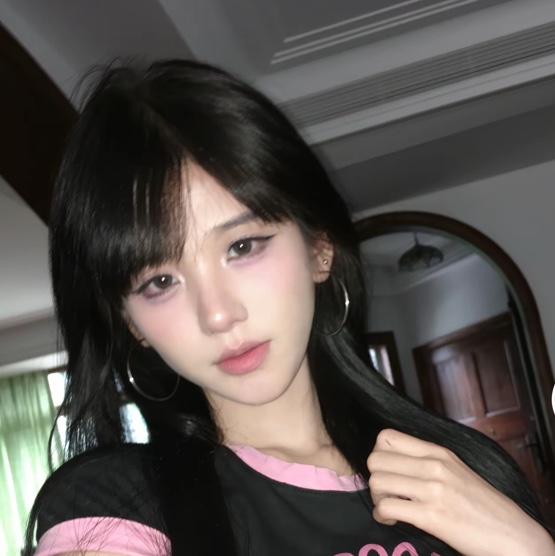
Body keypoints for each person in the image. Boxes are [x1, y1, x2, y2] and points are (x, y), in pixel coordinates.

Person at [25, 60, 554, 556]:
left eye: (242, 247)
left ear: (319, 246)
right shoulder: (115, 508)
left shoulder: (465, 469)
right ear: (131, 323)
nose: (218, 315)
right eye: (160, 282)